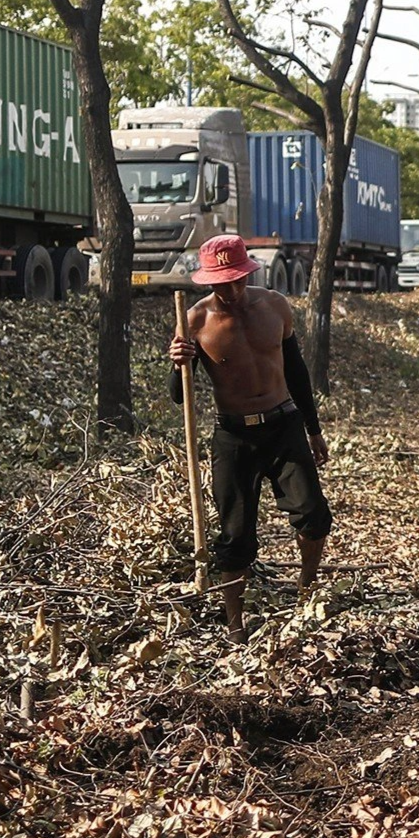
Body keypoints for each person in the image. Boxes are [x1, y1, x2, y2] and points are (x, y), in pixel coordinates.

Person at [168, 234, 333, 637]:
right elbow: (178, 397)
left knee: (313, 515)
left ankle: (306, 587)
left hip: (284, 424)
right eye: (221, 283)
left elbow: (297, 372)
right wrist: (177, 364)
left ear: (248, 272)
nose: (231, 290)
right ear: (208, 281)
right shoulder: (195, 321)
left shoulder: (275, 305)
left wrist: (313, 431)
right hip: (233, 435)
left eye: (237, 279)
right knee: (235, 533)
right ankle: (235, 621)